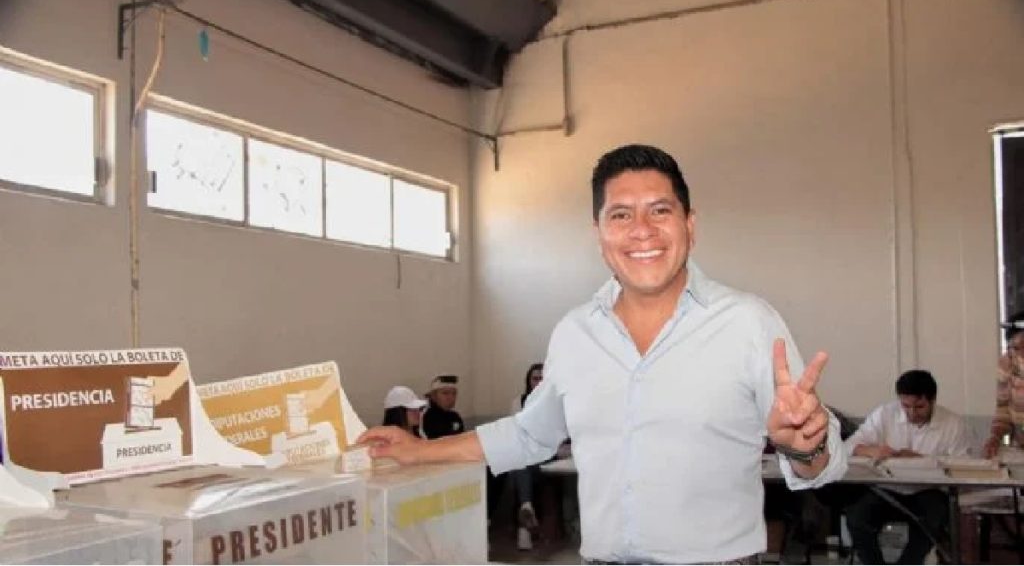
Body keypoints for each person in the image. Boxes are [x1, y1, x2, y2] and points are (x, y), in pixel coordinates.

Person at [360, 144, 846, 564]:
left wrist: (805, 445)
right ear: (599, 234)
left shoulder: (748, 323)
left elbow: (820, 464)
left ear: (690, 225)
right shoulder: (575, 333)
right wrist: (421, 451)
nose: (642, 230)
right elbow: (530, 435)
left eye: (660, 210)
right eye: (621, 215)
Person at [844, 369, 971, 564]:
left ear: (932, 401)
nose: (912, 413)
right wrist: (871, 450)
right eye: (905, 406)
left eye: (919, 407)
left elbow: (962, 467)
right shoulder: (885, 414)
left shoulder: (953, 424)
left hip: (928, 491)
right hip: (887, 490)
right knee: (857, 517)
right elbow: (848, 447)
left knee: (935, 519)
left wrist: (921, 460)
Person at [510, 362, 545, 551]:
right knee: (521, 461)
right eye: (535, 379)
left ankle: (524, 527)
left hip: (550, 452)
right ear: (528, 381)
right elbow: (517, 431)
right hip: (528, 452)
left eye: (542, 379)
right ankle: (526, 509)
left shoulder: (556, 401)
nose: (538, 382)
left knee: (522, 462)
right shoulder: (519, 401)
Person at [983, 313, 1024, 458]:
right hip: (1019, 447)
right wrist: (995, 437)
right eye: (1016, 348)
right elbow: (1003, 408)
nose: (1022, 354)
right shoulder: (1006, 364)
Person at [419, 374, 465, 439]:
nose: (451, 397)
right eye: (445, 393)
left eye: (454, 393)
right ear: (433, 395)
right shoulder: (423, 417)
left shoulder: (455, 417)